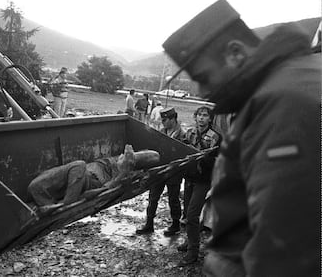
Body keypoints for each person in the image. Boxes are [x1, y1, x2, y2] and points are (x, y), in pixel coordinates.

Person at [162, 0, 320, 276]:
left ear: (235, 53)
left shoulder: (284, 102)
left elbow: (285, 246)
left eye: (202, 76)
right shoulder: (280, 85)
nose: (200, 91)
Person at [28, 145, 160, 213]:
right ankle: (57, 205)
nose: (121, 156)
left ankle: (63, 205)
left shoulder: (126, 173)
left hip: (90, 180)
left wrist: (123, 172)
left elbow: (155, 156)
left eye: (126, 157)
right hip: (76, 179)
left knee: (78, 166)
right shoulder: (115, 160)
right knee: (36, 187)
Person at [177, 106, 221, 265]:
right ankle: (189, 241)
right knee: (187, 214)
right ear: (195, 117)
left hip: (203, 180)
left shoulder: (215, 137)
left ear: (210, 119)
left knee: (193, 214)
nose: (202, 118)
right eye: (199, 115)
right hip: (189, 178)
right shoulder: (189, 133)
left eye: (205, 116)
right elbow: (181, 152)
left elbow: (217, 162)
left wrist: (201, 156)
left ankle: (193, 251)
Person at [136, 107, 184, 236]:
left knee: (173, 199)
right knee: (153, 197)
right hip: (160, 169)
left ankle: (175, 224)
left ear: (173, 119)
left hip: (174, 171)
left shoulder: (182, 134)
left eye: (165, 120)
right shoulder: (162, 131)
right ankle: (149, 223)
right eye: (162, 120)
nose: (162, 123)